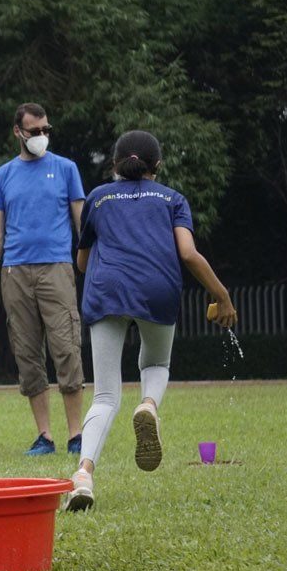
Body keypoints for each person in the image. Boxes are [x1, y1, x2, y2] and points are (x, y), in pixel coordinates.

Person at [64, 130, 236, 512]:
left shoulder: (97, 198)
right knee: (156, 363)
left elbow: (82, 261)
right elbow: (188, 254)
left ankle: (83, 476)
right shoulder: (173, 199)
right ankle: (148, 405)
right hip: (157, 287)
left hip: (106, 288)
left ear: (115, 165)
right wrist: (221, 295)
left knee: (105, 395)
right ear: (157, 166)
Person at [0, 102, 86, 456]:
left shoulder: (66, 169)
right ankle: (45, 437)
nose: (41, 137)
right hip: (14, 272)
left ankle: (76, 436)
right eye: (34, 131)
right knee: (27, 352)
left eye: (45, 130)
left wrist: (89, 266)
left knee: (66, 348)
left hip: (56, 267)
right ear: (18, 133)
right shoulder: (3, 176)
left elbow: (81, 224)